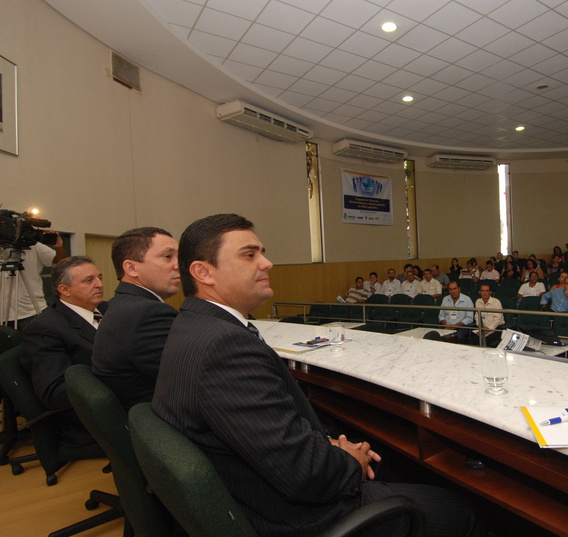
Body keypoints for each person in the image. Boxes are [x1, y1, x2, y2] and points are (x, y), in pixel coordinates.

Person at [152, 214, 483, 537]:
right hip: (303, 518)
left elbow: (263, 430)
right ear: (203, 272)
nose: (267, 263)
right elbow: (305, 474)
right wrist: (350, 460)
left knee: (384, 458)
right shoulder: (224, 347)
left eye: (263, 253)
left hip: (262, 491)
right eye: (250, 255)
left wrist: (324, 443)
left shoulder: (193, 326)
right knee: (464, 510)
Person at [21, 256, 106, 448]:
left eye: (99, 278)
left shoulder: (106, 310)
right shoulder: (44, 328)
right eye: (89, 280)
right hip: (90, 420)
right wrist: (118, 374)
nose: (99, 285)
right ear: (64, 290)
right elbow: (55, 393)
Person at [91, 227, 180, 410]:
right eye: (167, 257)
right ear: (131, 268)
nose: (179, 265)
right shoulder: (149, 313)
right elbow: (187, 381)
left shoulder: (122, 304)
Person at [2, 235, 67, 332]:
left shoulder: (33, 245)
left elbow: (62, 263)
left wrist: (59, 248)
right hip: (2, 315)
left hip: (32, 311)